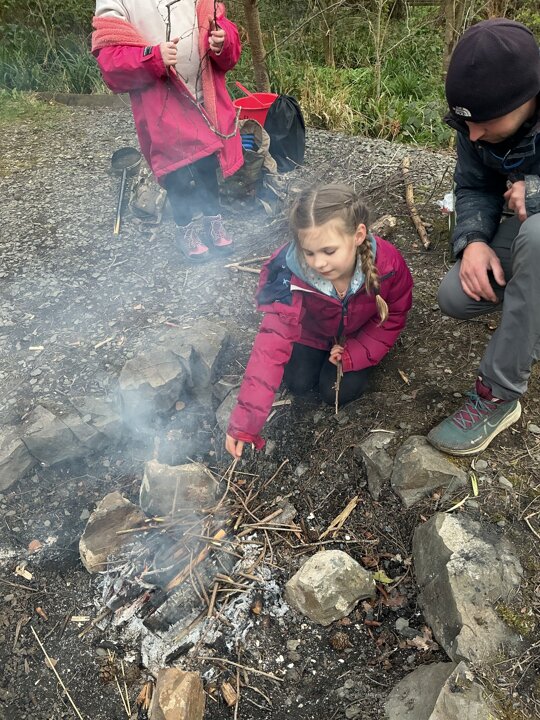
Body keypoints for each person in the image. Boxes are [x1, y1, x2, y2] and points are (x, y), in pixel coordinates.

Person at [225, 184, 413, 459]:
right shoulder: (288, 274)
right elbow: (270, 347)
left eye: (329, 251)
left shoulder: (388, 265)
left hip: (359, 335)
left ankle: (350, 360)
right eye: (309, 252)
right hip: (311, 334)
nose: (318, 264)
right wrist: (245, 424)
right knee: (298, 383)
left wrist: (354, 352)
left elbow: (393, 315)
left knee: (334, 392)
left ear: (358, 235)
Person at [427, 18, 540, 456]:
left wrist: (535, 192)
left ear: (527, 97)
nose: (472, 134)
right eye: (465, 122)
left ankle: (499, 394)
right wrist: (473, 240)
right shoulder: (474, 123)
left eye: (484, 122)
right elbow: (473, 186)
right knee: (457, 295)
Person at [91, 0, 243, 261]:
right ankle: (185, 230)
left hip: (203, 96)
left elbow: (225, 37)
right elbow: (111, 63)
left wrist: (222, 41)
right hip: (161, 104)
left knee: (207, 164)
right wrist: (152, 57)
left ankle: (213, 220)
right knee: (176, 170)